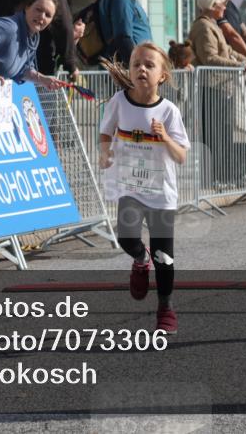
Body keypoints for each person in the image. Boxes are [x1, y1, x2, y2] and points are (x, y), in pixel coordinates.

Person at [98, 43, 190, 334]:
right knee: (126, 238)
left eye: (150, 65)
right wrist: (104, 152)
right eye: (136, 63)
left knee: (165, 256)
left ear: (162, 75)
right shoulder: (119, 101)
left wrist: (164, 138)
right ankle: (140, 259)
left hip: (161, 192)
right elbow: (106, 130)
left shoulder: (168, 111)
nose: (141, 69)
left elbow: (181, 156)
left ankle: (166, 307)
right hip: (131, 187)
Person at [189, 0, 246, 187]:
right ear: (212, 6)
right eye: (222, 4)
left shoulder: (213, 26)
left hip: (222, 86)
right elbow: (210, 58)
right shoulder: (203, 27)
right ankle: (215, 179)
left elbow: (228, 52)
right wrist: (241, 66)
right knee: (215, 136)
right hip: (212, 86)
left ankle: (224, 177)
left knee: (224, 135)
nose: (225, 8)